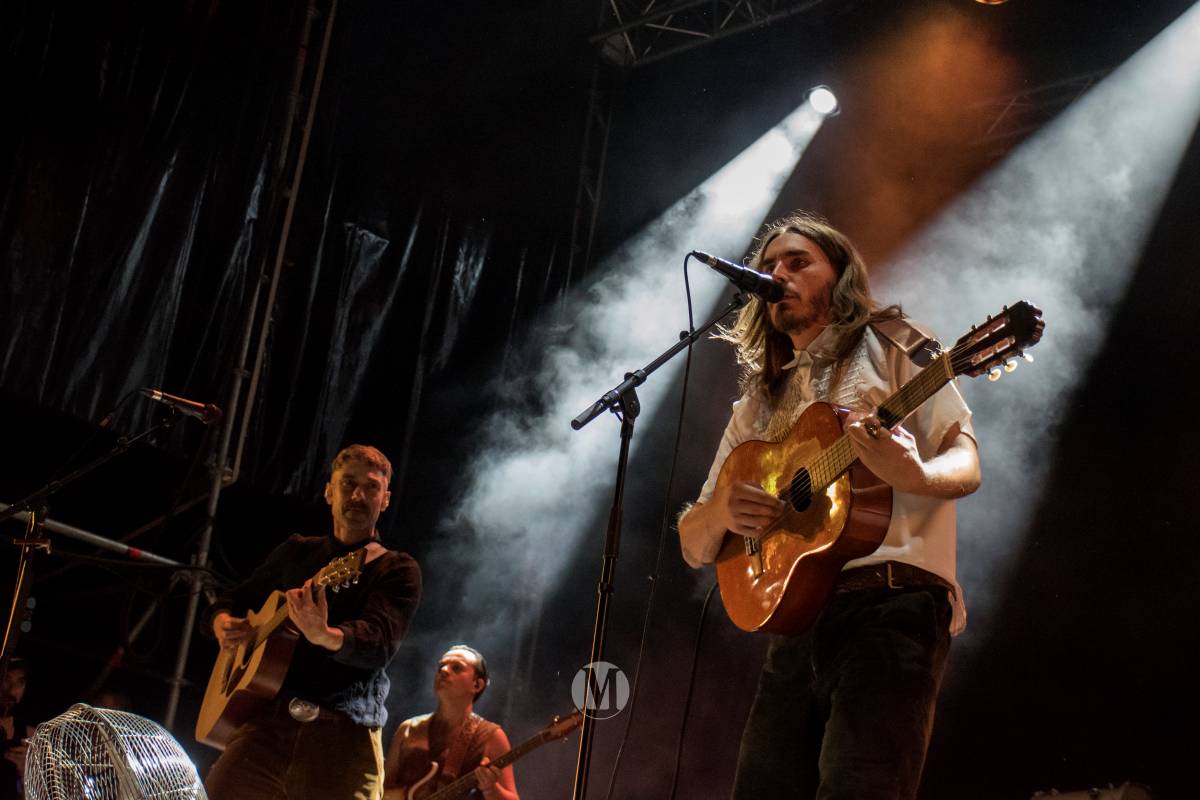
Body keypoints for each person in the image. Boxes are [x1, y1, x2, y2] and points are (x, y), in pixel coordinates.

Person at [677, 212, 981, 800]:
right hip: (797, 624)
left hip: (894, 608)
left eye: (797, 262)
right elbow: (695, 543)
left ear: (839, 275)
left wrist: (914, 470)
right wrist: (720, 513)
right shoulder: (757, 405)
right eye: (766, 268)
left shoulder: (894, 342)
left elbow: (966, 461)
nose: (777, 274)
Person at [204, 444, 422, 800]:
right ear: (328, 491)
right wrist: (221, 620)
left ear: (385, 500)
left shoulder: (396, 569)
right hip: (266, 729)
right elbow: (234, 599)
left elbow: (379, 643)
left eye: (370, 487)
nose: (357, 495)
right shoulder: (296, 552)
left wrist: (325, 634)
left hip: (342, 739)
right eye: (348, 483)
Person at [382, 645, 518, 800]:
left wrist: (491, 788)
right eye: (441, 666)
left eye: (457, 668)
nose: (444, 670)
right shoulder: (408, 729)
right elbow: (380, 790)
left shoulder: (492, 737)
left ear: (477, 685)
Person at [0, 658, 33, 800]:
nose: (12, 690)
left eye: (20, 682)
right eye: (7, 679)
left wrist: (27, 774)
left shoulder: (31, 737)